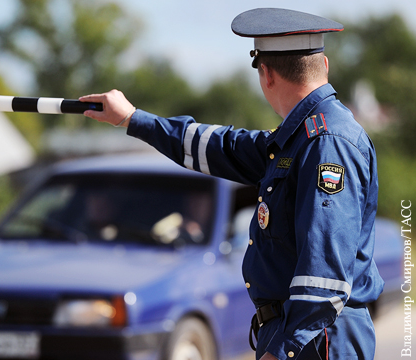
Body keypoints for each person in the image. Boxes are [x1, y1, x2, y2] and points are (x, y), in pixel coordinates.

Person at [80, 8, 383, 360]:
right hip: (300, 334)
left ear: (265, 74)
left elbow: (324, 272)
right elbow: (218, 145)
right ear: (324, 65)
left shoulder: (325, 141)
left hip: (316, 340)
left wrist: (284, 350)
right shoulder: (299, 138)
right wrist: (133, 119)